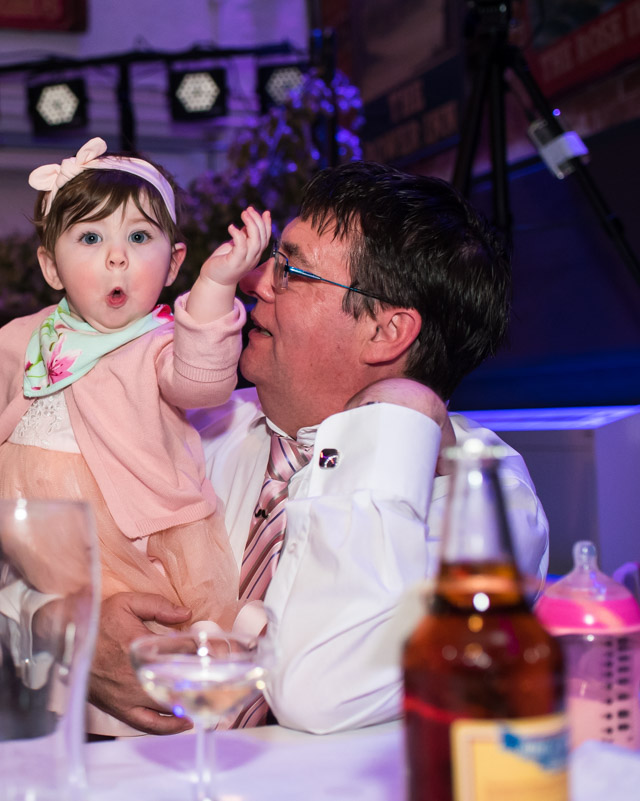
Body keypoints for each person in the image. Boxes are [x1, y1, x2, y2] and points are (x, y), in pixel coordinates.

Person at [87, 161, 550, 735]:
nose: (254, 281)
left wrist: (400, 410)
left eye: (290, 269)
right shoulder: (193, 427)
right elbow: (31, 562)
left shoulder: (486, 506)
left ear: (386, 332)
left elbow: (321, 688)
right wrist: (73, 634)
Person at [0, 137, 270, 734]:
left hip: (125, 535)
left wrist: (216, 285)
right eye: (91, 238)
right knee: (66, 690)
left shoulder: (158, 345)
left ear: (173, 264)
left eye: (139, 238)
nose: (116, 258)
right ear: (51, 265)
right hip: (36, 546)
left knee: (152, 644)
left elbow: (203, 381)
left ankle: (228, 651)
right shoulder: (29, 337)